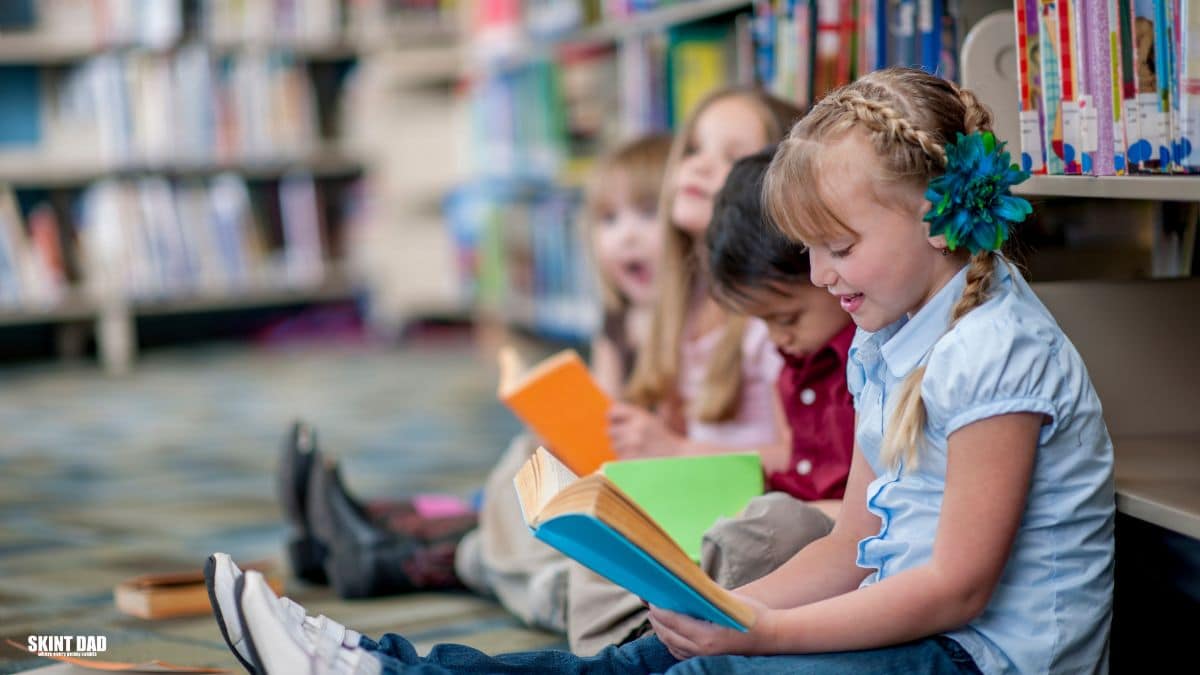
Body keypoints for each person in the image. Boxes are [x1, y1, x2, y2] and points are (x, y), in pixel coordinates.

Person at [215, 67, 1116, 674]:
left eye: (837, 247)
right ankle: (380, 664)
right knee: (655, 651)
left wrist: (762, 630)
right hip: (916, 625)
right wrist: (725, 608)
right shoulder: (888, 340)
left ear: (935, 218)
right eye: (808, 250)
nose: (817, 277)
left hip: (979, 655)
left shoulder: (1000, 351)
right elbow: (849, 545)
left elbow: (957, 586)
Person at [267, 135, 675, 606]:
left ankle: (378, 544)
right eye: (609, 220)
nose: (627, 236)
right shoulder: (618, 322)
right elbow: (604, 414)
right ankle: (360, 529)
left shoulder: (692, 330)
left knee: (505, 510)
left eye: (648, 215)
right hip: (609, 475)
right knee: (513, 480)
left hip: (639, 491)